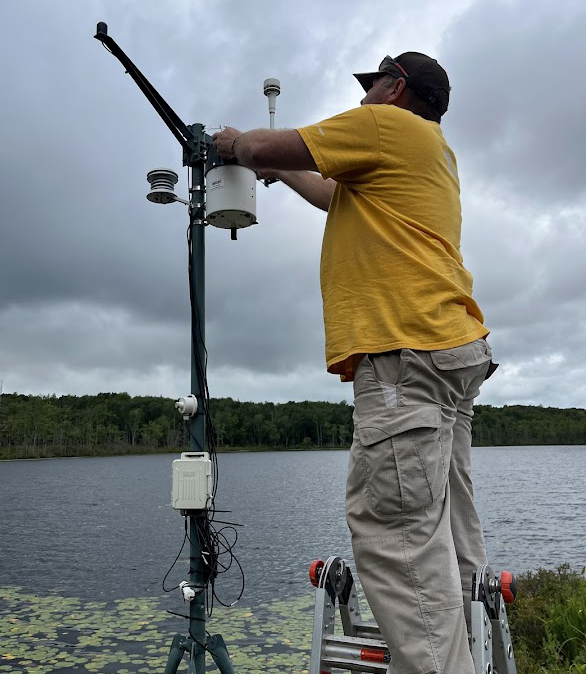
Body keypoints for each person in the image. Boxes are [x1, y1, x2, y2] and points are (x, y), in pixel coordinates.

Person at [213, 52, 496, 674]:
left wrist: (235, 145)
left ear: (395, 89)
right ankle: (469, 651)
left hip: (405, 355)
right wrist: (279, 171)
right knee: (442, 525)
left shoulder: (386, 125)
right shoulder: (432, 151)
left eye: (372, 86)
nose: (364, 97)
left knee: (397, 538)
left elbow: (263, 146)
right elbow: (327, 190)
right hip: (448, 352)